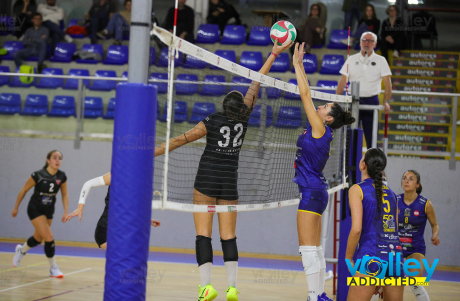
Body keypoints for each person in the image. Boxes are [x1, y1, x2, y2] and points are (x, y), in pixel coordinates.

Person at [150, 40, 292, 301]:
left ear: (224, 105)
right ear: (241, 108)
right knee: (229, 237)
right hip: (229, 181)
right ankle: (233, 288)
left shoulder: (212, 120)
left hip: (206, 179)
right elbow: (257, 81)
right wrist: (274, 53)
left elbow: (180, 140)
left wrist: (149, 153)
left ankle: (206, 287)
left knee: (203, 234)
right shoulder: (244, 120)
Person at [292, 42, 355, 301]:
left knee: (308, 249)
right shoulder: (320, 128)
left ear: (328, 118)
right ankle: (319, 295)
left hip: (311, 191)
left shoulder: (320, 129)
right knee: (315, 248)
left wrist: (297, 65)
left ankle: (314, 296)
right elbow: (308, 96)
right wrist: (301, 67)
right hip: (317, 190)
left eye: (324, 107)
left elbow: (305, 95)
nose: (319, 107)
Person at [346, 148, 404, 301]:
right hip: (395, 258)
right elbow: (395, 231)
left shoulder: (357, 189)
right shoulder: (392, 194)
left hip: (371, 256)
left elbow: (357, 230)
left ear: (363, 165)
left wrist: (348, 257)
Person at [65, 172, 160, 249]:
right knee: (125, 256)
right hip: (105, 231)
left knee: (129, 259)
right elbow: (88, 184)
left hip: (121, 231)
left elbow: (130, 210)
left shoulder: (137, 185)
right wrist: (80, 207)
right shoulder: (115, 176)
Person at [11, 150, 69, 278]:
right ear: (48, 160)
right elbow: (24, 190)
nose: (57, 160)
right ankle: (53, 268)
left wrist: (65, 212)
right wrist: (16, 207)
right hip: (35, 209)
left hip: (49, 210)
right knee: (49, 237)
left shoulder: (61, 176)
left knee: (38, 238)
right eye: (54, 157)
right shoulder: (38, 175)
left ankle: (21, 250)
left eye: (60, 158)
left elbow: (64, 194)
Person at [335, 31, 392, 149]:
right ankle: (347, 166)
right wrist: (336, 100)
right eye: (364, 40)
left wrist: (386, 102)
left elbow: (387, 84)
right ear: (360, 42)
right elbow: (342, 81)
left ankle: (372, 166)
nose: (367, 43)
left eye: (370, 41)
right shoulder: (351, 59)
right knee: (350, 138)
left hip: (371, 102)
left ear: (375, 44)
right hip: (353, 101)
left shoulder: (381, 60)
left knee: (372, 138)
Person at [398, 170, 440, 301]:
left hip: (415, 248)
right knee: (385, 284)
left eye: (411, 179)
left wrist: (435, 235)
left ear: (417, 184)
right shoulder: (395, 200)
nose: (406, 181)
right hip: (396, 247)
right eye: (404, 178)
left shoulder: (426, 204)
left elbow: (435, 224)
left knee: (415, 282)